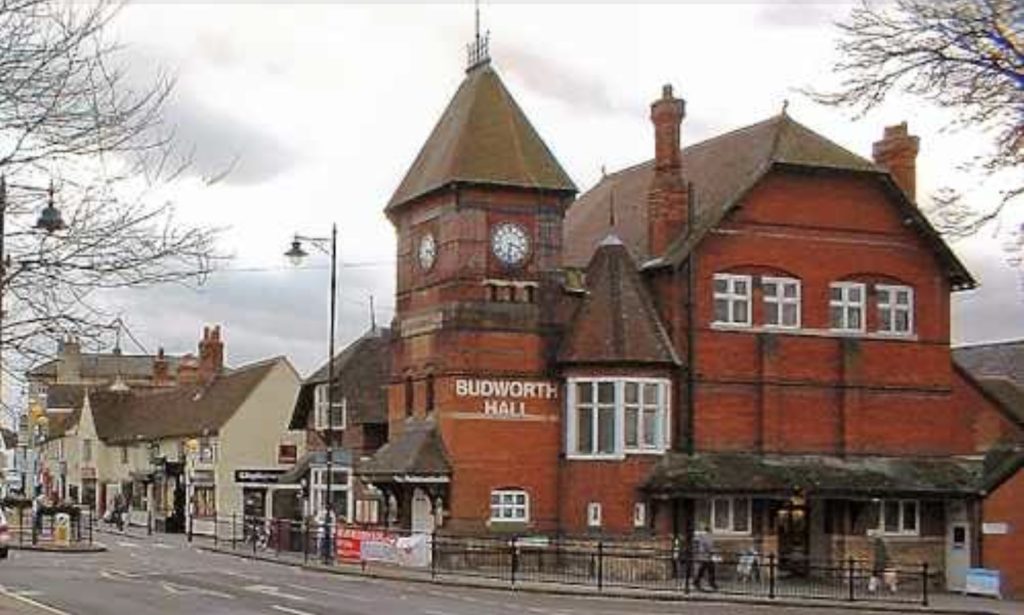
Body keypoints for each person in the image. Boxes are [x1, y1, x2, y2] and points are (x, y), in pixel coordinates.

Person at [694, 525, 718, 591]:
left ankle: (697, 582)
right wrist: (713, 551)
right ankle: (710, 583)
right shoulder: (707, 537)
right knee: (709, 569)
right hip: (706, 556)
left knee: (704, 569)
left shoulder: (703, 536)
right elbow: (708, 546)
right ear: (709, 530)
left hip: (705, 556)